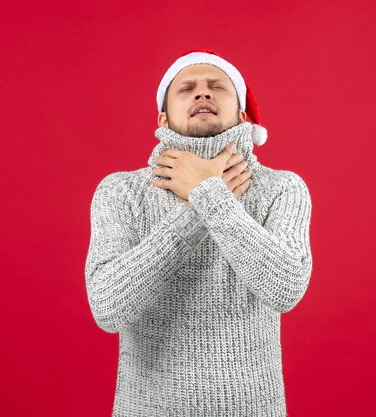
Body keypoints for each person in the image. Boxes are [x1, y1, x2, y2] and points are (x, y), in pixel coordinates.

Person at [85, 49, 313, 417]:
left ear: (242, 114)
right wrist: (196, 206)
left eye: (217, 87)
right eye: (187, 88)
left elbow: (285, 288)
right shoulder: (121, 192)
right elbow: (109, 309)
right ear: (163, 117)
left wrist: (207, 194)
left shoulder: (283, 188)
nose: (202, 94)